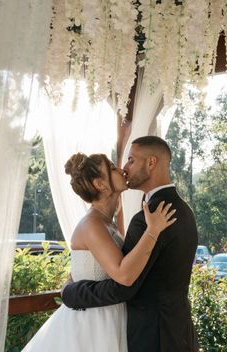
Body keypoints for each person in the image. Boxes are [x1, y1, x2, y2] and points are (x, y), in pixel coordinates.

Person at [21, 151, 176, 352]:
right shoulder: (92, 224)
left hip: (110, 316)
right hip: (91, 324)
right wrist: (153, 231)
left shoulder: (106, 222)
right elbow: (124, 275)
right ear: (100, 184)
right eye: (112, 168)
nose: (121, 170)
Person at [62, 136, 199, 352]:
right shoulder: (184, 210)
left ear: (151, 162)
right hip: (176, 330)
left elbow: (124, 284)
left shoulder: (150, 217)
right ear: (101, 185)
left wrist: (71, 292)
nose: (124, 168)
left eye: (130, 160)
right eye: (116, 166)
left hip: (154, 336)